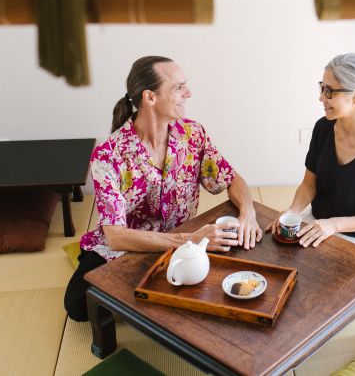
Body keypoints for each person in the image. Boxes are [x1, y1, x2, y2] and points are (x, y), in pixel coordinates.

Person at [64, 56, 262, 321]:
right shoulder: (108, 155)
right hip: (133, 247)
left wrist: (247, 213)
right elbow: (115, 236)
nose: (188, 93)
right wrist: (187, 240)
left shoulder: (193, 134)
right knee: (79, 305)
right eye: (179, 87)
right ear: (150, 97)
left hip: (186, 242)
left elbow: (231, 178)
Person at [269, 53, 355, 255]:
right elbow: (309, 184)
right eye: (322, 88)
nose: (321, 97)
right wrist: (293, 210)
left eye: (330, 91)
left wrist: (334, 225)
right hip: (321, 222)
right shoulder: (323, 128)